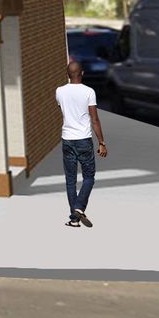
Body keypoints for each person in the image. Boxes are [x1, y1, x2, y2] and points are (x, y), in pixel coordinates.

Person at [56, 59, 108, 227]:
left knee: (70, 180)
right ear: (82, 73)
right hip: (83, 140)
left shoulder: (60, 91)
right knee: (89, 177)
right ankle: (79, 207)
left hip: (67, 139)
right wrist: (101, 142)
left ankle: (74, 219)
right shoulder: (89, 92)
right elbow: (94, 119)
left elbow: (62, 109)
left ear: (67, 75)